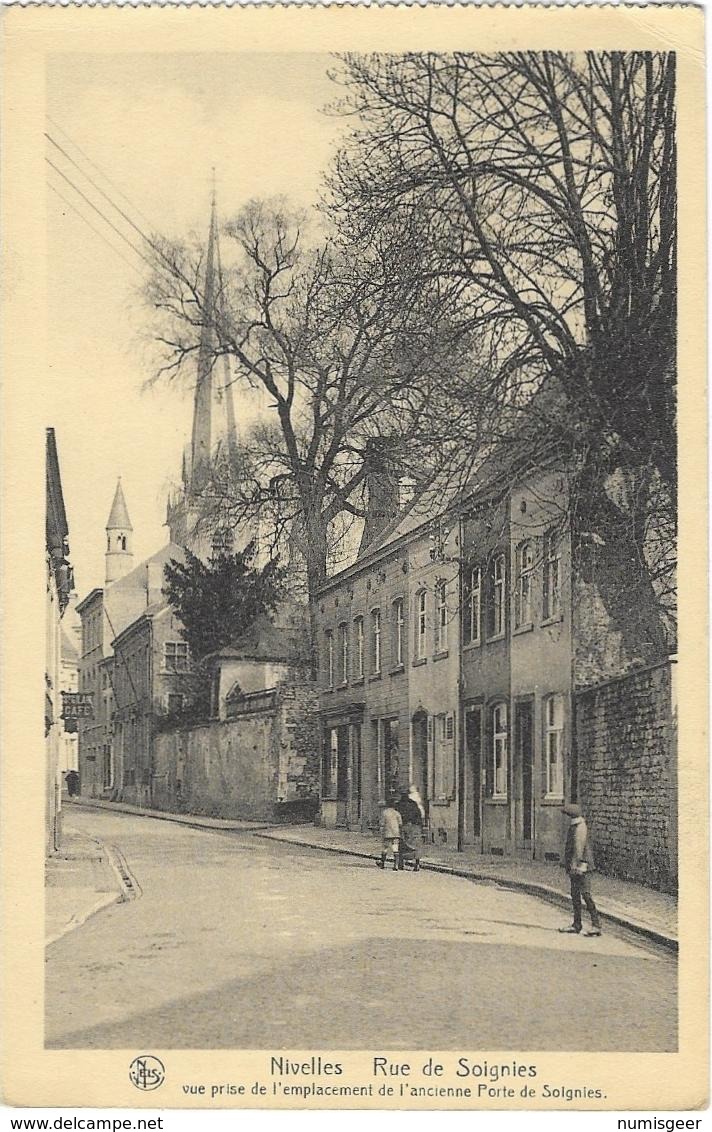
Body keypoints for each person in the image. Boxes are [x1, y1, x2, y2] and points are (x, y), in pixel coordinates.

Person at [559, 802, 602, 937]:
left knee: (586, 894)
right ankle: (577, 924)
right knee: (575, 895)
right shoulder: (575, 826)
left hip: (582, 866)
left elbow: (580, 848)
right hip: (575, 866)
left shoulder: (580, 827)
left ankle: (596, 925)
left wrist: (579, 864)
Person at [396, 786, 424, 871]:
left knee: (401, 844)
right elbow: (418, 814)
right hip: (414, 826)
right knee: (416, 844)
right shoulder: (413, 804)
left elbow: (396, 817)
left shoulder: (398, 805)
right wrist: (419, 825)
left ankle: (401, 863)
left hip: (404, 826)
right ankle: (417, 864)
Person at [378, 797, 402, 871]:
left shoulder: (385, 813)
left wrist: (381, 831)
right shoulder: (397, 813)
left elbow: (382, 823)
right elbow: (400, 823)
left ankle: (382, 863)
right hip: (395, 833)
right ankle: (396, 865)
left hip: (387, 833)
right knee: (395, 848)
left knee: (385, 848)